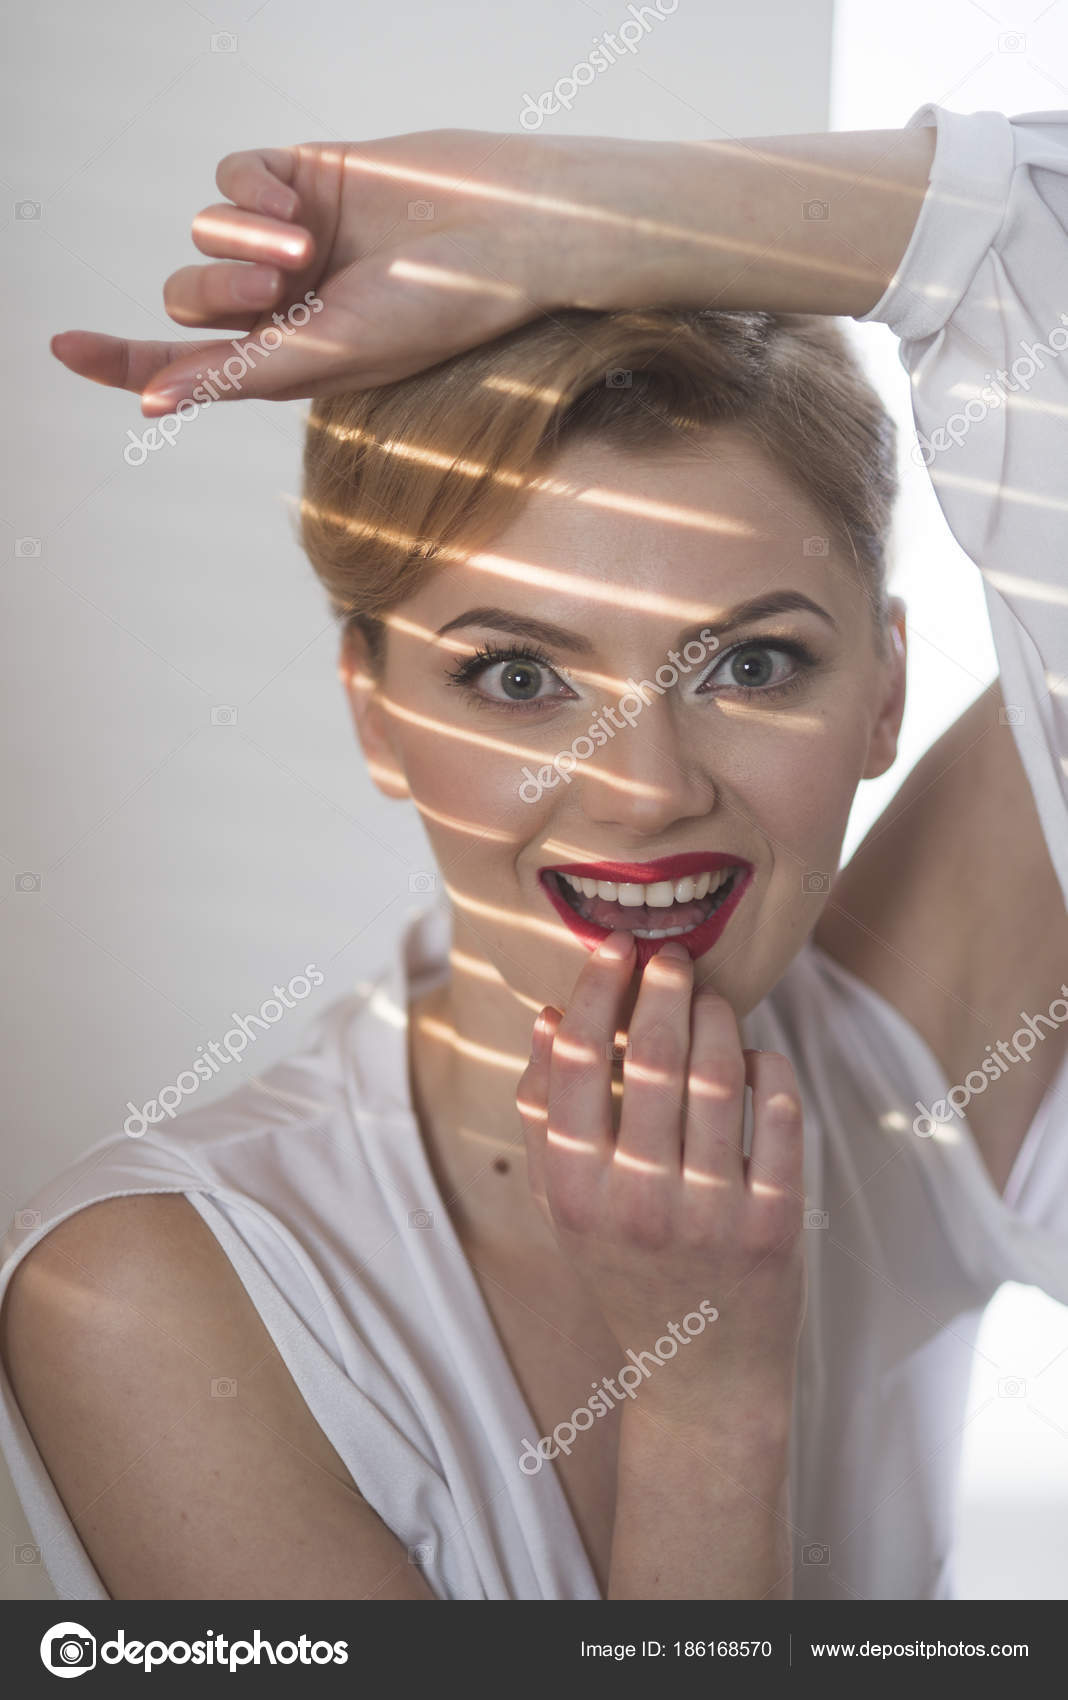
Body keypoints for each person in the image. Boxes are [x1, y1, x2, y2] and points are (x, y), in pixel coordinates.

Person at [2, 104, 1067, 1602]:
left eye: (751, 665)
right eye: (518, 678)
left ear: (885, 687)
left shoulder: (927, 1044)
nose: (640, 793)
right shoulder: (150, 1295)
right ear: (373, 713)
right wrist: (705, 1408)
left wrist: (587, 207)